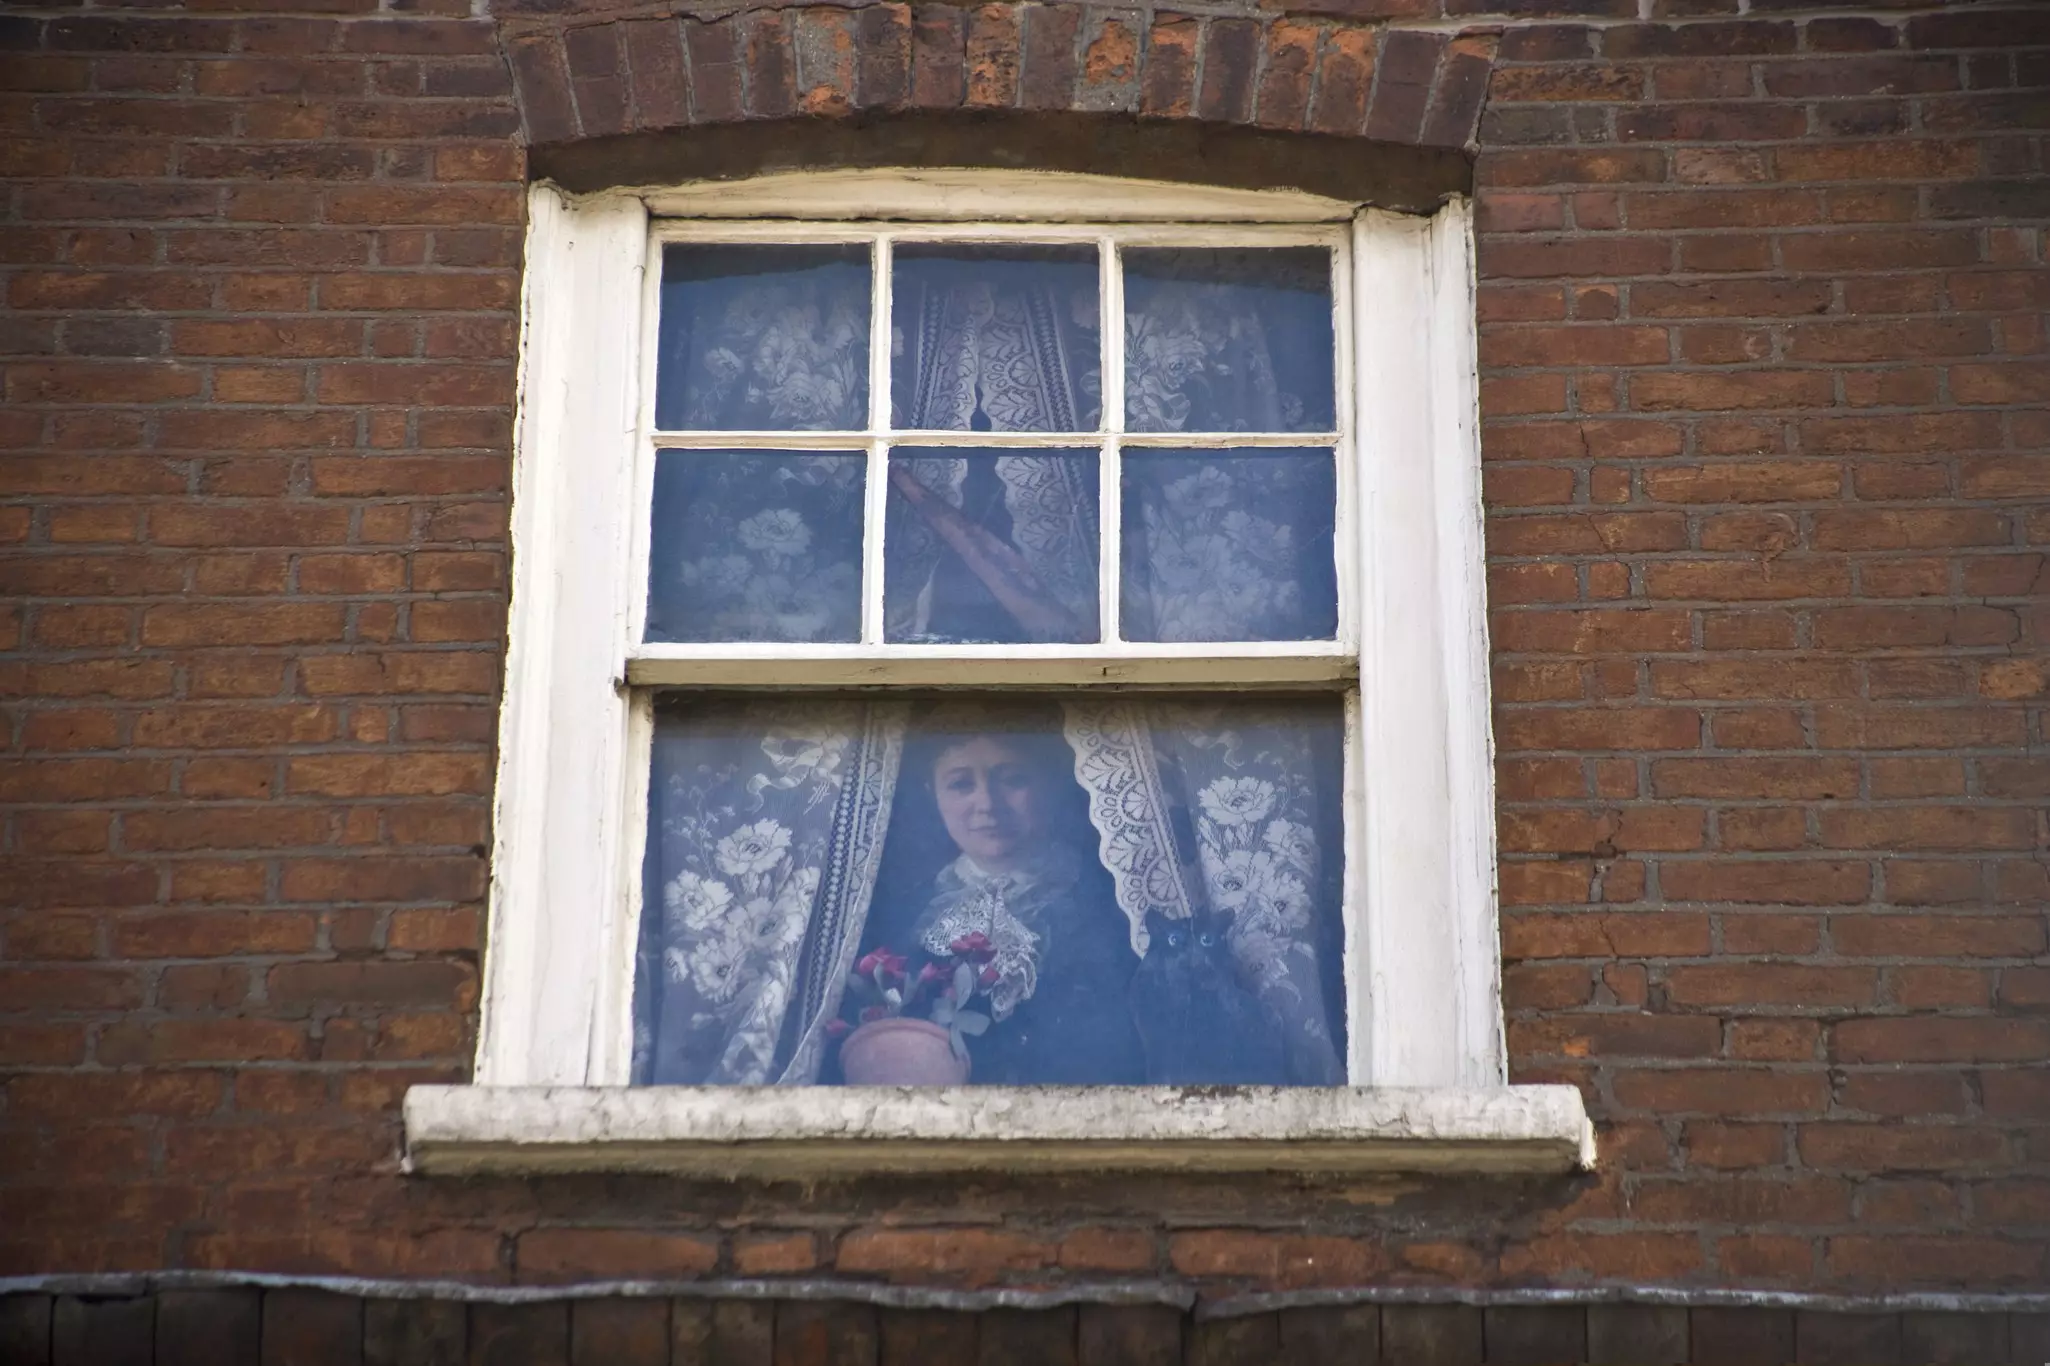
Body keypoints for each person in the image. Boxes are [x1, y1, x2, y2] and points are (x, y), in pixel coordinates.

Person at [856, 707, 1147, 1085]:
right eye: (961, 784)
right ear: (933, 793)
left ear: (1050, 783)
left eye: (1012, 779)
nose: (988, 804)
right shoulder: (904, 913)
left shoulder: (1115, 901)